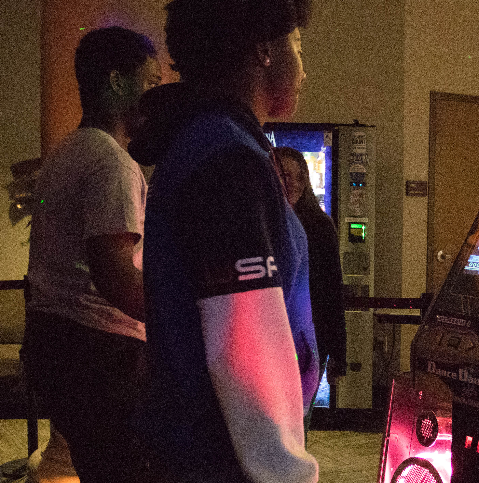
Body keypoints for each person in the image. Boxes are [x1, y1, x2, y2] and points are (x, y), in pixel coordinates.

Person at [127, 0, 318, 481]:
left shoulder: (206, 141)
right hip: (221, 462)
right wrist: (285, 472)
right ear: (264, 51)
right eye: (296, 43)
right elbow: (243, 348)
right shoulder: (226, 158)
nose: (304, 66)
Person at [22, 26, 161, 483]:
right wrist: (177, 315)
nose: (155, 96)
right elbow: (114, 272)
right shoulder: (111, 162)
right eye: (151, 81)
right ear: (118, 81)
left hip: (55, 341)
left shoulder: (65, 153)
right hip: (99, 350)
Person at [273, 146, 347, 425]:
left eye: (296, 176)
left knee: (298, 422)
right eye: (282, 175)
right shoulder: (262, 223)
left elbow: (332, 291)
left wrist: (339, 356)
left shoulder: (319, 226)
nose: (289, 182)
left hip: (310, 339)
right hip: (273, 337)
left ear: (305, 181)